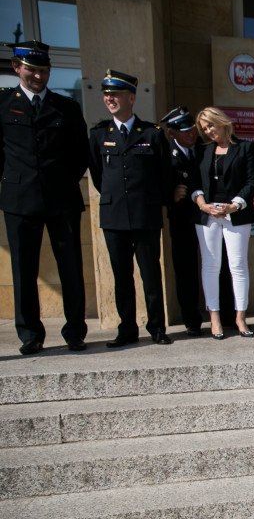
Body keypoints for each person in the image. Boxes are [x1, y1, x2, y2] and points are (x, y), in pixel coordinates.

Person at [0, 40, 89, 354]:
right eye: (32, 70)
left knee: (71, 268)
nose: (39, 76)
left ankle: (75, 331)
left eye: (44, 70)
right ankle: (30, 334)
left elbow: (81, 153)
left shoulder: (65, 107)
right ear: (17, 68)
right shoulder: (3, 104)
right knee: (23, 269)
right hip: (19, 200)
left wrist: (65, 179)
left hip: (61, 199)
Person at [88, 69, 174, 347]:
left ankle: (157, 327)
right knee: (121, 275)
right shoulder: (100, 133)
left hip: (145, 214)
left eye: (115, 94)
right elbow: (99, 175)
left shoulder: (151, 133)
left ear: (131, 97)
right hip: (114, 216)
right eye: (106, 94)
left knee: (150, 273)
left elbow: (164, 174)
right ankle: (126, 328)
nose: (110, 99)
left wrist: (149, 199)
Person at [191, 106, 254, 339]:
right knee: (210, 266)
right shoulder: (201, 150)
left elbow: (251, 182)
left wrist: (234, 205)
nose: (208, 130)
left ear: (222, 122)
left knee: (238, 266)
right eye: (204, 127)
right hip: (207, 215)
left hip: (235, 215)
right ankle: (215, 318)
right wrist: (202, 204)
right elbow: (194, 182)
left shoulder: (245, 147)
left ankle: (240, 318)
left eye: (211, 125)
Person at [160, 105, 204, 336]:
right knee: (185, 268)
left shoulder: (205, 149)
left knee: (216, 265)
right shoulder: (165, 153)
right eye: (185, 131)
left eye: (192, 130)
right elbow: (152, 182)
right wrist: (169, 196)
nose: (191, 134)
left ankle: (224, 313)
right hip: (181, 217)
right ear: (172, 133)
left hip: (206, 216)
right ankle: (192, 320)